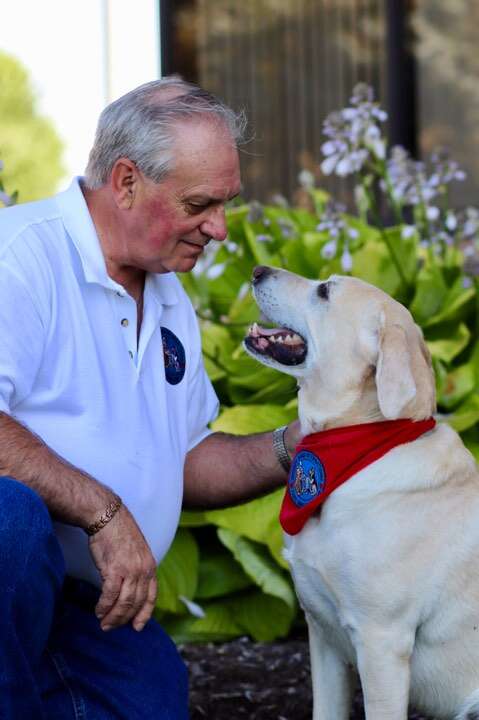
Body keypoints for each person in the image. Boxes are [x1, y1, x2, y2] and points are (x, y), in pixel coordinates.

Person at [0, 76, 300, 718]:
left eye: (227, 204)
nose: (219, 229)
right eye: (200, 205)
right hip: (14, 575)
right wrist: (103, 513)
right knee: (10, 519)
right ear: (127, 181)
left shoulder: (167, 298)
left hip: (78, 601)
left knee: (153, 696)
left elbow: (185, 457)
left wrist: (295, 446)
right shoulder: (20, 256)